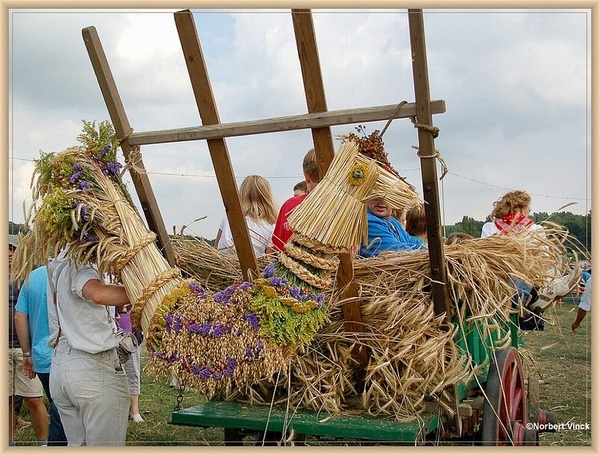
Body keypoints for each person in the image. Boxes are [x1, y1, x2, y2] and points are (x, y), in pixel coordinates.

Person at [48, 249, 131, 446]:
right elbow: (97, 293)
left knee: (77, 445)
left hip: (62, 364)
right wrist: (145, 288)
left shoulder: (56, 263)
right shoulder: (79, 261)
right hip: (91, 368)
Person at [480, 190, 579, 325]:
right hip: (522, 280)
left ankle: (543, 291)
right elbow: (543, 260)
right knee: (530, 273)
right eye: (527, 209)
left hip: (497, 280)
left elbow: (484, 254)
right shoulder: (535, 230)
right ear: (520, 209)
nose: (529, 212)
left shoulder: (490, 228)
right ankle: (543, 293)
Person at [14, 263, 68, 445]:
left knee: (58, 408)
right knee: (64, 414)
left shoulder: (33, 277)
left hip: (42, 357)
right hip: (70, 355)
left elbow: (19, 316)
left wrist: (27, 353)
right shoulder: (75, 270)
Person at [8, 239, 49, 447]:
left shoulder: (29, 277)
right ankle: (8, 442)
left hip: (26, 347)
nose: (8, 254)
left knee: (33, 398)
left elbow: (22, 315)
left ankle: (44, 443)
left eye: (12, 250)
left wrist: (28, 352)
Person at [268, 148, 321, 254]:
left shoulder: (290, 206)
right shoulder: (346, 208)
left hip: (293, 269)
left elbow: (277, 248)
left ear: (306, 176)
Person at [215, 175, 279, 256]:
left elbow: (217, 244)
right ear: (267, 196)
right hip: (255, 266)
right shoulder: (272, 223)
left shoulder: (231, 215)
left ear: (242, 192)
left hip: (225, 263)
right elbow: (269, 256)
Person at [358, 199, 424, 257]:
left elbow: (412, 242)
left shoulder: (393, 221)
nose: (381, 201)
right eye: (376, 196)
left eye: (387, 197)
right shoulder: (368, 222)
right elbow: (396, 250)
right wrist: (426, 253)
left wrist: (427, 248)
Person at [114, 304, 144, 423]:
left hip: (130, 335)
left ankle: (135, 411)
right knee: (114, 374)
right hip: (112, 333)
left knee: (132, 372)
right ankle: (119, 409)